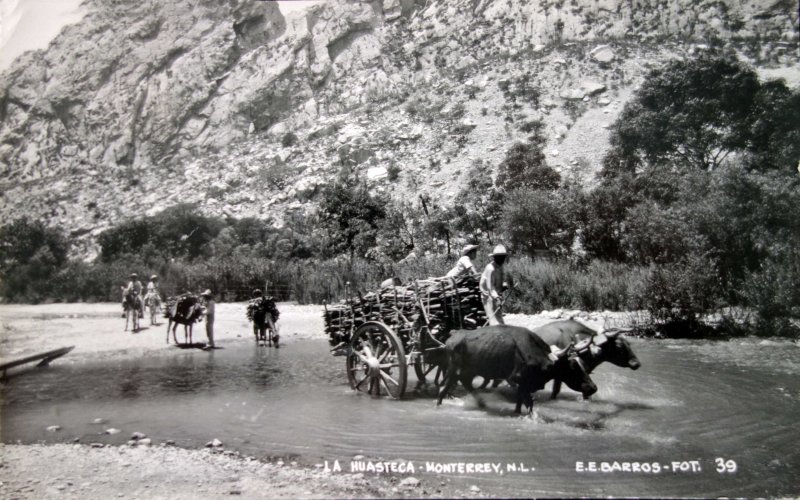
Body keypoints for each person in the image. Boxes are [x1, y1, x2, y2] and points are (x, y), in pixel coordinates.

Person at [479, 244, 509, 325]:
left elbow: (500, 281)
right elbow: (490, 288)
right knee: (494, 320)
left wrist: (504, 286)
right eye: (500, 257)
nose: (503, 259)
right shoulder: (490, 268)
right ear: (495, 257)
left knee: (499, 318)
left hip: (496, 294)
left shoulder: (501, 267)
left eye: (503, 257)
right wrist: (497, 298)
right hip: (488, 296)